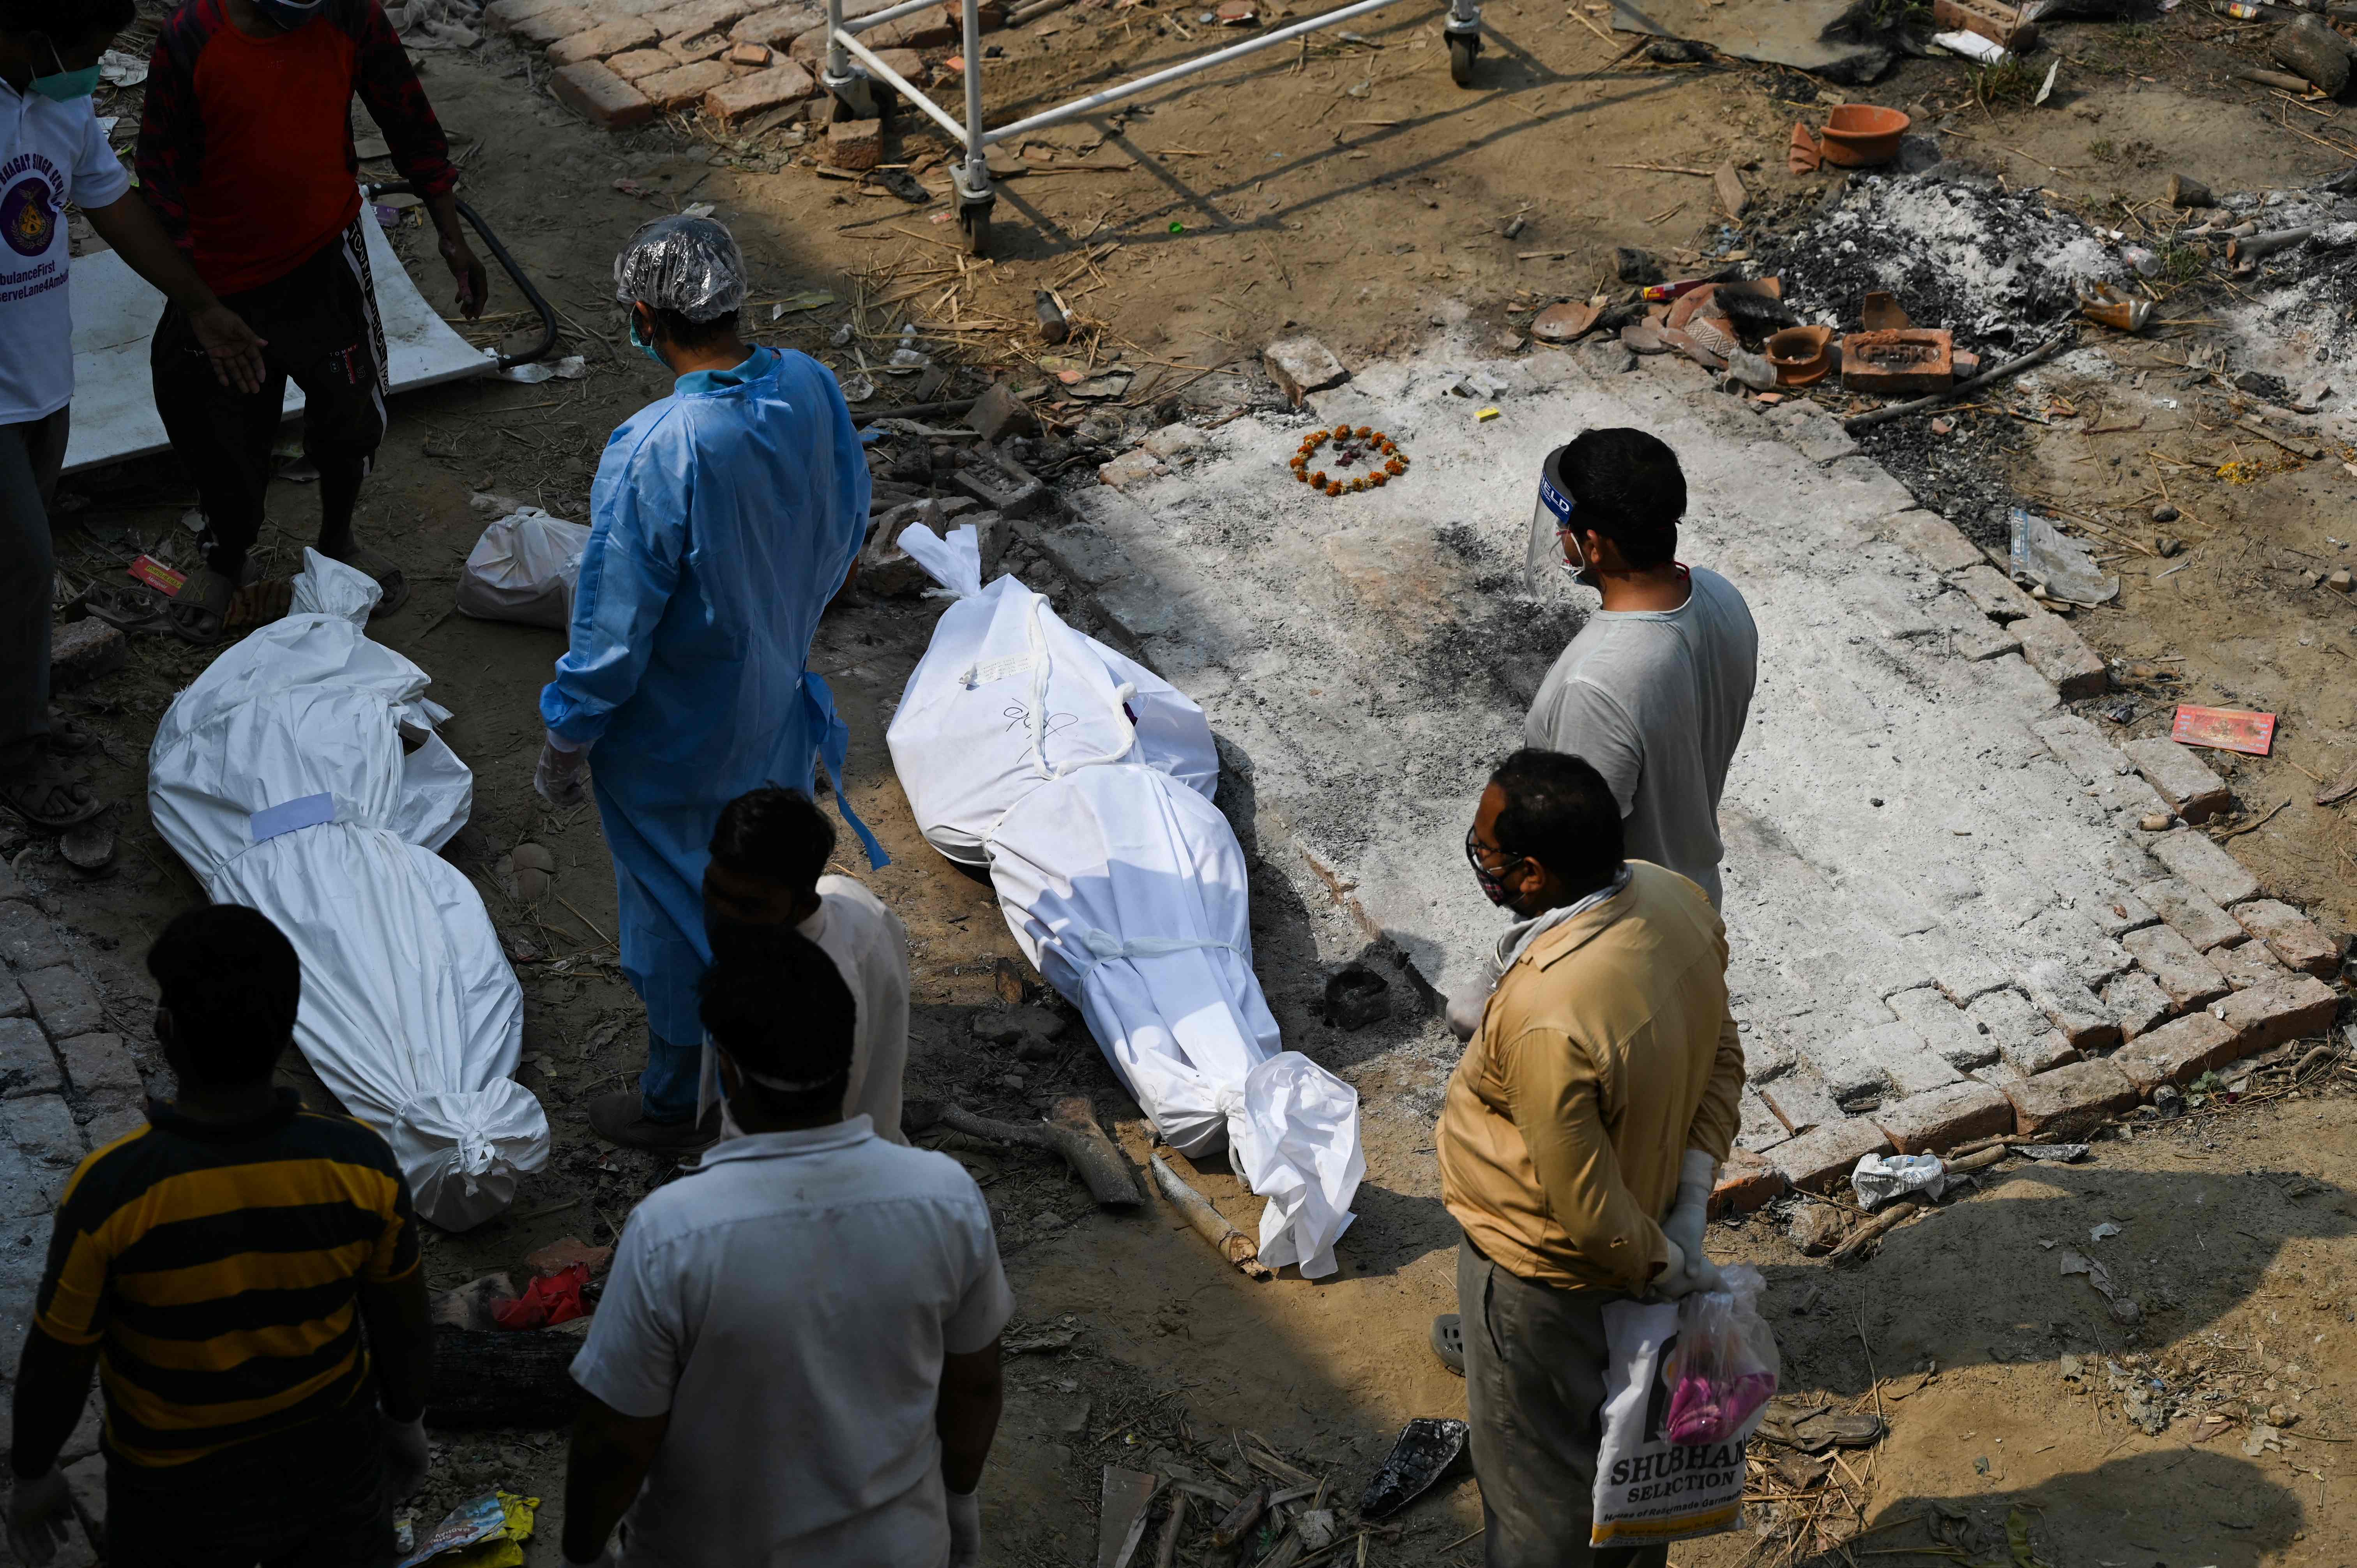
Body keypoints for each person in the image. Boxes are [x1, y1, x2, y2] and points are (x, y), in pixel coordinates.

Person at [538, 214, 879, 1154]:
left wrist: (568, 735)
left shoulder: (659, 447)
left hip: (675, 733)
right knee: (760, 883)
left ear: (646, 316)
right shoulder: (806, 384)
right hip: (773, 697)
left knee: (673, 906)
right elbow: (850, 521)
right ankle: (773, 1064)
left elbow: (614, 621)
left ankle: (673, 1099)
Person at [560, 929, 1008, 1568]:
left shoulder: (671, 1231)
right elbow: (976, 1382)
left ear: (726, 1068)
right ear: (850, 1050)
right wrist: (958, 1504)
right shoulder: (945, 1195)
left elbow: (617, 1437)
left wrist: (581, 1553)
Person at [6, 904, 432, 1568]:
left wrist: (34, 1470)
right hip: (332, 1463)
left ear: (165, 1028)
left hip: (173, 1490)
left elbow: (59, 1356)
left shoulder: (113, 1189)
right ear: (288, 1028)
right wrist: (405, 1417)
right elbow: (401, 1315)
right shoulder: (361, 1163)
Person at [1436, 749, 1746, 1567]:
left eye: (1485, 850)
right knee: (1635, 1453)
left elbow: (1580, 1201)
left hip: (1543, 1278)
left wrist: (1655, 1262)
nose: (1481, 863)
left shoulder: (1550, 1011)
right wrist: (1687, 1201)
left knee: (1540, 1486)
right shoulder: (1674, 898)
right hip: (1645, 1236)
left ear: (1532, 873)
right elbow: (1724, 1051)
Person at [136, 0, 491, 641]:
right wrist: (197, 303)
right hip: (222, 281)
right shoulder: (193, 37)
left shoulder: (349, 14)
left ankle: (337, 540)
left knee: (349, 411)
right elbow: (158, 175)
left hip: (322, 260)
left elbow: (407, 114)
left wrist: (451, 235)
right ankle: (226, 556)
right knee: (218, 426)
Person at [0, 0, 266, 828]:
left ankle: (21, 716)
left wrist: (199, 304)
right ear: (30, 32)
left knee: (16, 573)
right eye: (91, 46)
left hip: (43, 378)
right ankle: (15, 756)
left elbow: (112, 203)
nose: (100, 62)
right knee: (23, 568)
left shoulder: (58, 100)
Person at [1523, 428, 1757, 911]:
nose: (1561, 541)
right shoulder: (1722, 597)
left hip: (1626, 947)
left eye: (1566, 531)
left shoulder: (1594, 686)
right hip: (1694, 905)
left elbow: (1578, 867)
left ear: (1597, 545)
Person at [696, 786, 911, 1143]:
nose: (722, 918)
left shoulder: (813, 994)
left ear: (802, 898)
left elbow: (814, 1127)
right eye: (713, 891)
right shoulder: (846, 894)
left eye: (748, 906)